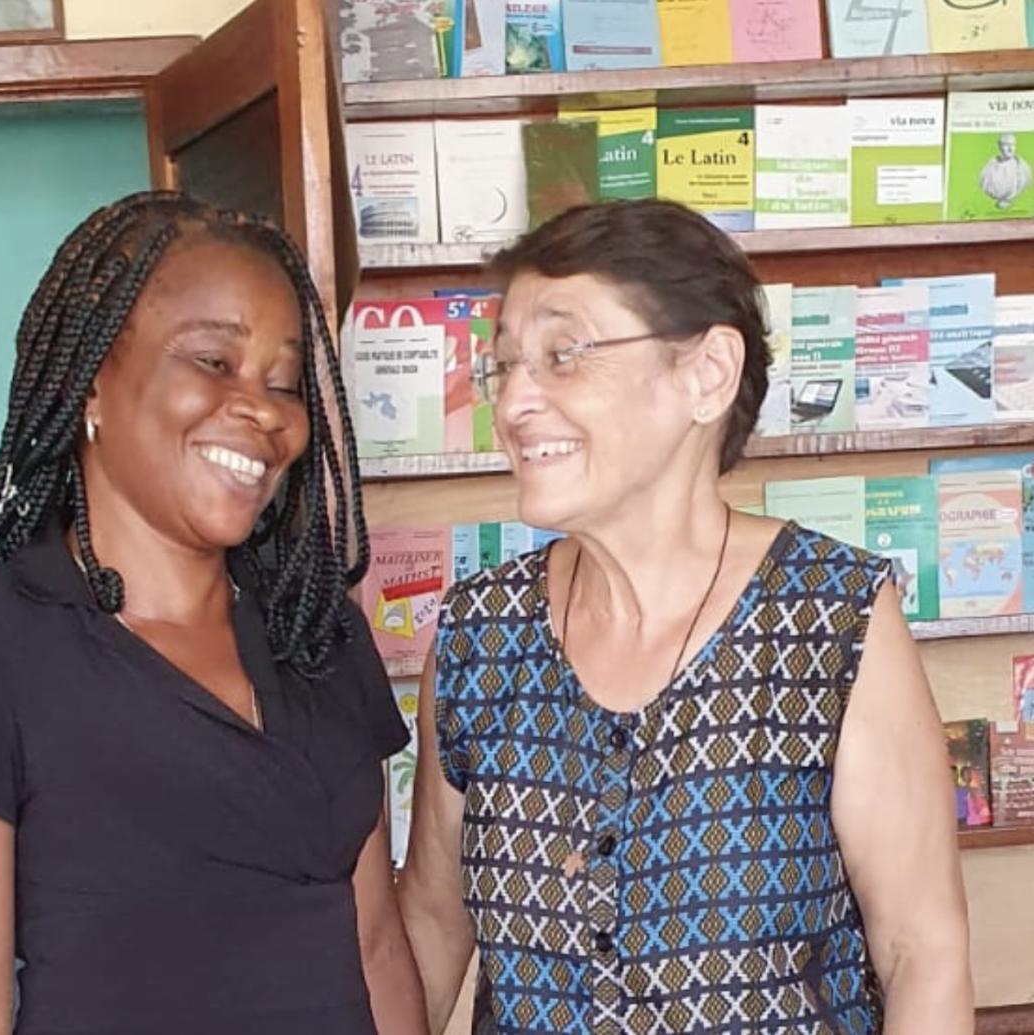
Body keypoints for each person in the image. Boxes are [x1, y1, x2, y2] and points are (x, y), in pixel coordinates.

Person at [397, 200, 972, 1034]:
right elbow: (428, 924)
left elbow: (923, 952)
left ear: (706, 375)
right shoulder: (481, 632)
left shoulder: (829, 616)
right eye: (505, 364)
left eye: (564, 354)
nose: (514, 401)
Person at [0, 191, 428, 1035]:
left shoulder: (316, 632)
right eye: (214, 361)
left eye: (284, 382)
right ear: (92, 382)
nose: (263, 409)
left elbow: (375, 944)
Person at [978, 132, 1032, 209]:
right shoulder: (989, 169)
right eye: (1006, 145)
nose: (1010, 149)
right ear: (999, 147)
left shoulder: (1023, 168)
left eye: (1013, 145)